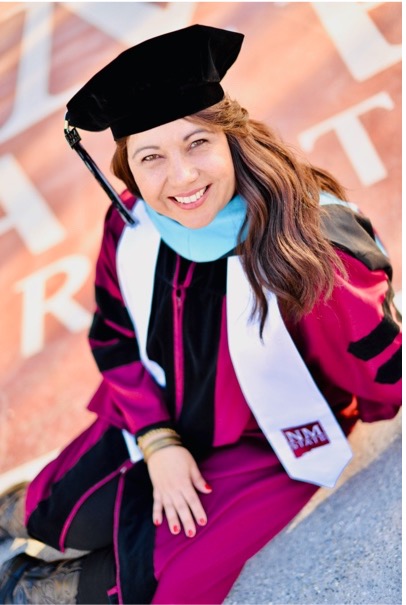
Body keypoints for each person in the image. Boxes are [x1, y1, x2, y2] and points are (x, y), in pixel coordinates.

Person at [0, 24, 401, 605]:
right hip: (155, 406)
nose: (182, 178)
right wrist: (158, 440)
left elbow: (377, 375)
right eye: (151, 157)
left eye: (198, 143)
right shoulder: (133, 226)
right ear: (128, 171)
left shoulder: (312, 245)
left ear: (234, 139)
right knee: (52, 514)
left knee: (160, 578)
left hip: (263, 434)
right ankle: (23, 507)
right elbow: (113, 334)